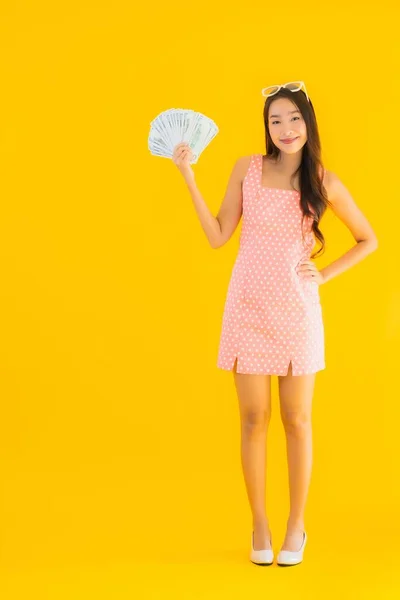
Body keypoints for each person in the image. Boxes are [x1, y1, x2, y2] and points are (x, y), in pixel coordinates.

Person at [172, 81, 378, 566]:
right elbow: (219, 236)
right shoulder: (246, 168)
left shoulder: (324, 181)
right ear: (266, 127)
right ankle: (259, 525)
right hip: (246, 307)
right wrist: (187, 176)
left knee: (297, 420)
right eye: (275, 120)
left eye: (294, 119)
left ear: (309, 123)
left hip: (296, 311)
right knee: (252, 420)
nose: (285, 129)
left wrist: (323, 274)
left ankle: (296, 526)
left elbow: (368, 239)